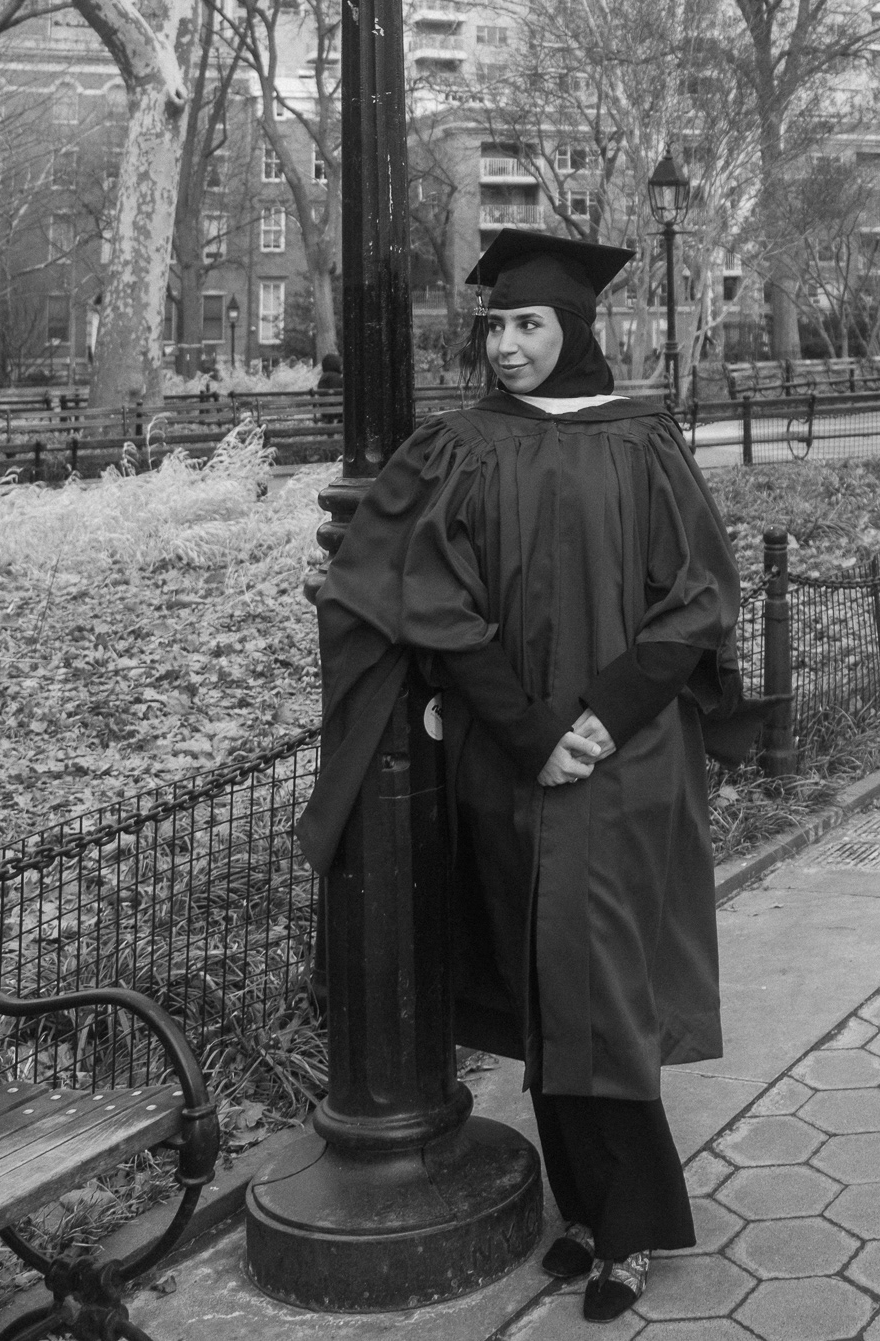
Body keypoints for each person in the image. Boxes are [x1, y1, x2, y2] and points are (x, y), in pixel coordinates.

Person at [299, 228, 761, 1325]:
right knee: (544, 991)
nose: (506, 345)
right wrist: (525, 729)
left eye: (528, 324)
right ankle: (592, 1212)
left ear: (575, 329)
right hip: (510, 762)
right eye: (494, 325)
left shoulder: (641, 441)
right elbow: (419, 594)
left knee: (596, 987)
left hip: (624, 759)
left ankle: (633, 1228)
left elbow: (695, 596)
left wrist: (595, 720)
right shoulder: (460, 447)